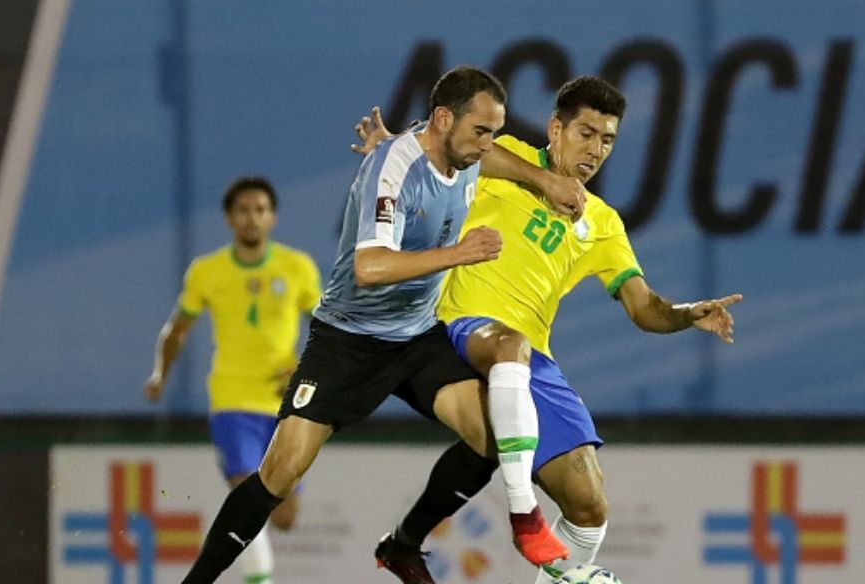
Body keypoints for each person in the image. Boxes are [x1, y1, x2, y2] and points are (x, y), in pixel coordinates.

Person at [180, 65, 588, 584]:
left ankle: (402, 544)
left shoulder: (460, 148)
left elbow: (489, 163)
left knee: (491, 437)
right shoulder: (392, 168)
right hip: (349, 341)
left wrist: (544, 179)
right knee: (279, 476)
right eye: (481, 131)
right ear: (444, 119)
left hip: (417, 336)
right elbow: (368, 268)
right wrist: (458, 253)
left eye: (494, 132)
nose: (488, 145)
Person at [354, 76, 741, 584]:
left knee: (588, 503)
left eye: (607, 140)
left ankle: (447, 549)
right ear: (555, 130)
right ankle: (523, 515)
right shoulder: (508, 156)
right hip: (460, 326)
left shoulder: (602, 223)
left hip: (531, 357)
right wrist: (538, 179)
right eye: (585, 133)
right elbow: (454, 149)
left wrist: (686, 313)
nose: (595, 149)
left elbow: (643, 307)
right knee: (502, 374)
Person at [144, 176, 321, 584]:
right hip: (232, 397)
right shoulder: (207, 271)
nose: (252, 218)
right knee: (247, 493)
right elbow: (177, 331)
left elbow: (327, 329)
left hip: (285, 402)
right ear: (228, 219)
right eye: (243, 210)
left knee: (284, 517)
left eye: (260, 210)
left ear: (272, 217)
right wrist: (159, 376)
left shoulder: (297, 267)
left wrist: (305, 370)